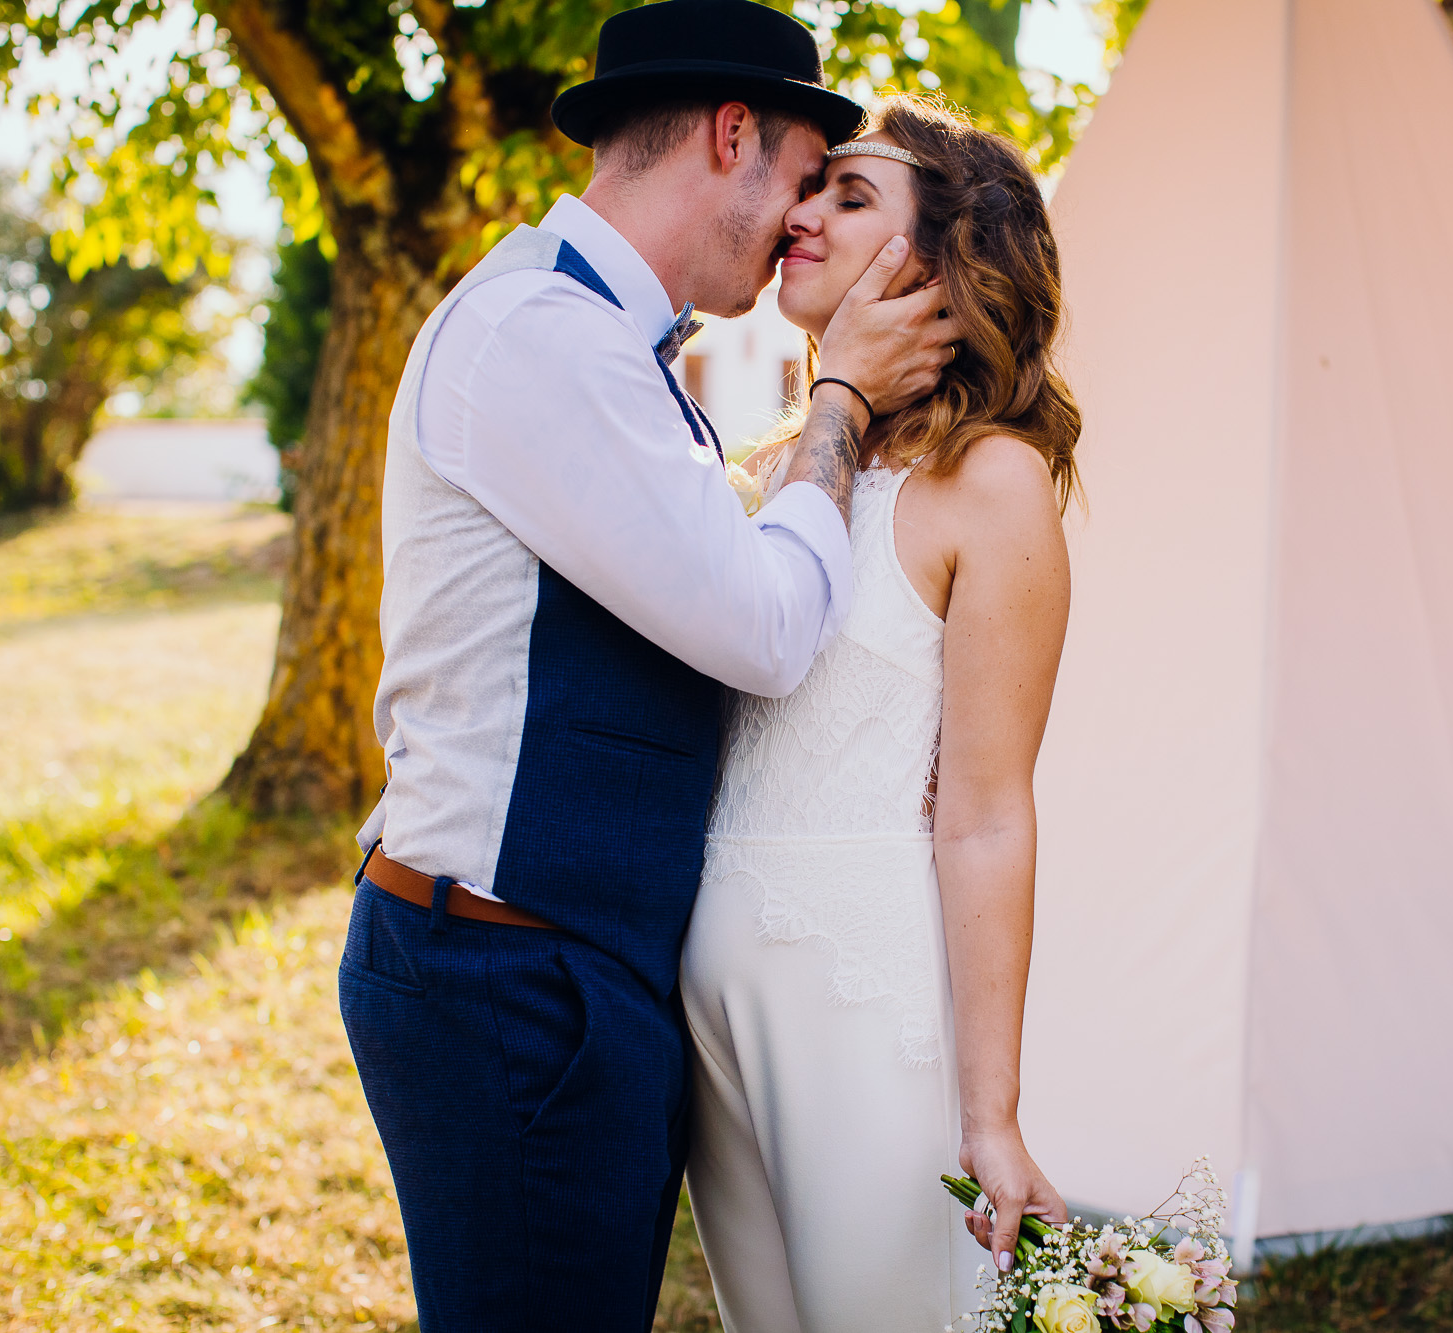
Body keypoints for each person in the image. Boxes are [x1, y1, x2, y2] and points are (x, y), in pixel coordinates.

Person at [334, 3, 955, 1329]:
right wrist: (839, 397)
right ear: (734, 134)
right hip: (508, 973)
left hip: (546, 960)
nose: (801, 223)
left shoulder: (602, 345)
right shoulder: (542, 341)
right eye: (804, 178)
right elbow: (766, 627)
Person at [682, 93, 1082, 1332]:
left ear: (951, 277)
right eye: (815, 188)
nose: (799, 212)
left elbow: (985, 816)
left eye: (849, 198)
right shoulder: (775, 475)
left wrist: (991, 1115)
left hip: (858, 984)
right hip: (705, 996)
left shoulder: (992, 486)